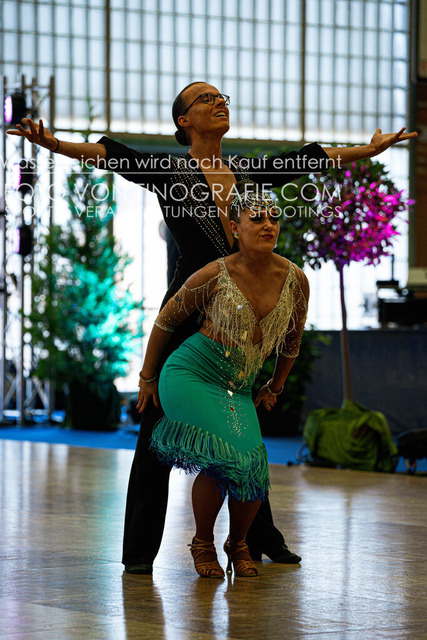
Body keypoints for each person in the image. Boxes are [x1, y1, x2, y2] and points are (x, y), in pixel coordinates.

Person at [7, 81, 417, 575]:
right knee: (153, 431)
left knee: (243, 434)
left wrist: (367, 151)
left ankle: (257, 538)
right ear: (183, 120)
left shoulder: (244, 172)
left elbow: (307, 159)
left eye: (222, 97)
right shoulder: (171, 172)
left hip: (240, 317)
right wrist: (54, 144)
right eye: (206, 99)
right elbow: (112, 155)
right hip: (188, 312)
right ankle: (139, 551)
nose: (219, 102)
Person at [137, 179, 308, 578]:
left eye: (274, 218)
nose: (268, 224)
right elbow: (166, 321)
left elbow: (291, 343)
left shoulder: (295, 279)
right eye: (257, 218)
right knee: (221, 457)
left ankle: (239, 542)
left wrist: (275, 386)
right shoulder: (215, 273)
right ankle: (202, 543)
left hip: (239, 386)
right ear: (235, 228)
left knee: (253, 467)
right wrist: (147, 377)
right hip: (191, 374)